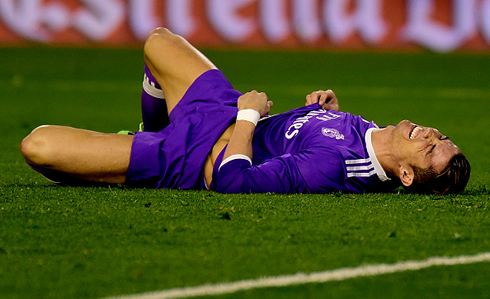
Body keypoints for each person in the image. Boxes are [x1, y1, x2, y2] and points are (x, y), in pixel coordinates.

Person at [20, 27, 470, 194]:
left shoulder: (334, 168)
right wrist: (322, 111)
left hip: (193, 155)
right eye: (440, 135)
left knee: (37, 144)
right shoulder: (367, 134)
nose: (431, 135)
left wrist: (249, 116)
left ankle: (147, 143)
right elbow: (302, 139)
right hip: (220, 111)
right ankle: (149, 126)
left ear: (407, 177)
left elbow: (231, 180)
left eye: (433, 151)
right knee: (158, 42)